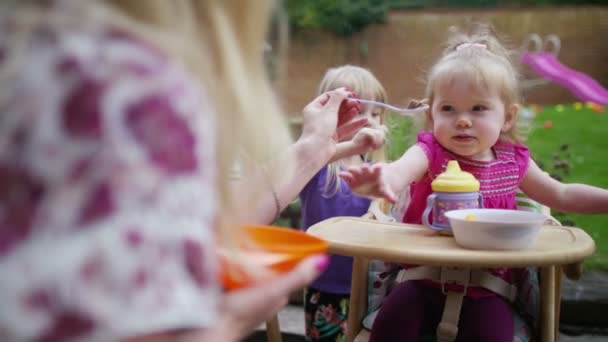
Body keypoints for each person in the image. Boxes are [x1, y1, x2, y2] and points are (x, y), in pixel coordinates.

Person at [0, 1, 367, 341]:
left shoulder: (33, 49)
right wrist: (231, 322)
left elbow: (196, 229)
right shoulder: (131, 82)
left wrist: (310, 151)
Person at [340, 25, 608, 341]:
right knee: (390, 328)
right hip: (418, 282)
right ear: (431, 116)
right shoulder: (429, 152)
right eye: (448, 109)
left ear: (507, 117)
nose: (463, 120)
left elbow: (561, 193)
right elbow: (399, 172)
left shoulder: (513, 163)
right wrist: (380, 181)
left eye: (478, 108)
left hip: (489, 288)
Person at [299, 65, 387, 341]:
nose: (370, 121)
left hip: (367, 285)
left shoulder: (376, 170)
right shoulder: (318, 166)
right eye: (359, 112)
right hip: (323, 284)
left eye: (375, 113)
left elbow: (385, 213)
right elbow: (305, 159)